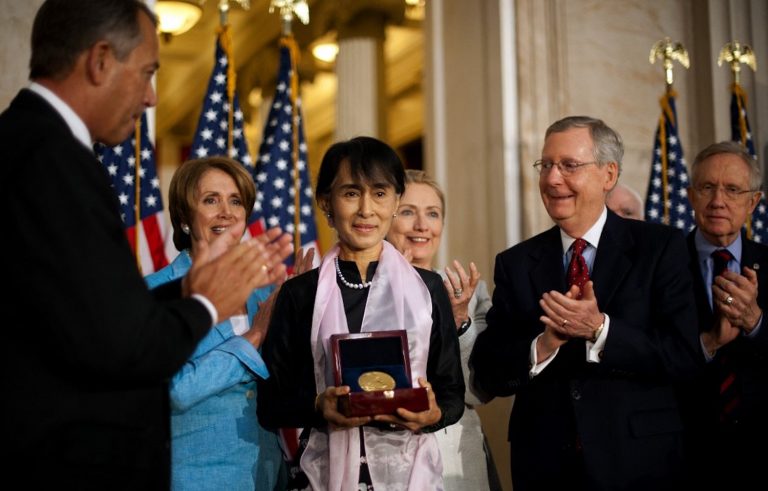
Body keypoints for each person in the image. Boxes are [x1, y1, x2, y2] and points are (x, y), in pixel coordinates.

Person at [0, 1, 292, 488]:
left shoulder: (29, 144)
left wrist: (187, 295)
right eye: (147, 72)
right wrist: (202, 303)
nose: (153, 96)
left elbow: (86, 320)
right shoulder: (49, 159)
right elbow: (115, 348)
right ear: (99, 61)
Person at [471, 116, 702, 490]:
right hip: (544, 466)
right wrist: (542, 346)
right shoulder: (515, 263)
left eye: (569, 166)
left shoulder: (661, 248)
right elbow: (489, 371)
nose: (552, 179)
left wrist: (600, 330)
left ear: (608, 175)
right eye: (545, 165)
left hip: (639, 463)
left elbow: (684, 356)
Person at [257, 136, 465, 490]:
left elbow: (451, 395)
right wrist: (319, 405)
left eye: (380, 193)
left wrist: (433, 415)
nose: (366, 209)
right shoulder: (300, 293)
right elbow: (270, 404)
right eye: (351, 193)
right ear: (326, 202)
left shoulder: (429, 288)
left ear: (397, 200)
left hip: (411, 476)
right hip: (323, 476)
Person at [144, 157, 291, 490]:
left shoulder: (266, 291)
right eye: (211, 200)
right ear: (183, 217)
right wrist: (252, 338)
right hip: (193, 477)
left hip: (266, 476)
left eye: (236, 201)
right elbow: (174, 390)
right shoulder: (155, 291)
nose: (227, 211)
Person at [386, 169, 500, 490]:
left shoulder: (469, 292)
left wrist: (458, 319)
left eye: (433, 214)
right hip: (385, 457)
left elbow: (479, 390)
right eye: (408, 212)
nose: (422, 226)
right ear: (385, 219)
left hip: (455, 463)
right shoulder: (358, 290)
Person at [679, 141, 768, 490]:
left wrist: (757, 322)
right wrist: (707, 343)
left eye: (732, 190)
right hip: (684, 452)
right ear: (690, 196)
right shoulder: (660, 264)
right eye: (707, 188)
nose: (718, 201)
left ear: (753, 202)